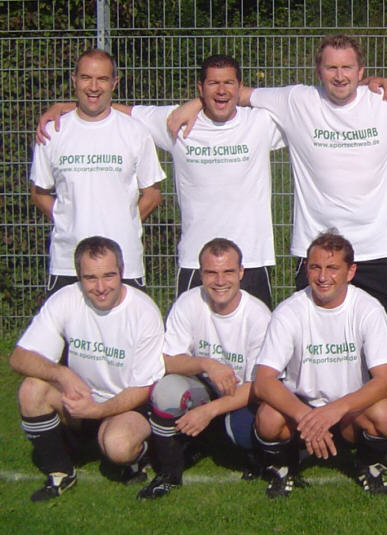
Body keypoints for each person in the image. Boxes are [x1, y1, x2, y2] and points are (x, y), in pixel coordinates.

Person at [169, 34, 387, 329]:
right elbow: (232, 95)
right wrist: (195, 103)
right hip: (317, 249)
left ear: (361, 71)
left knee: (386, 348)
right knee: (317, 342)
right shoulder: (296, 101)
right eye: (331, 68)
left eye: (347, 67)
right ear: (318, 71)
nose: (340, 76)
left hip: (376, 247)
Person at [36, 55, 283, 306]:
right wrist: (67, 106)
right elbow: (122, 111)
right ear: (200, 88)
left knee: (258, 341)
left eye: (229, 83)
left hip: (252, 258)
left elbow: (297, 110)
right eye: (212, 84)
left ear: (240, 88)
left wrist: (198, 103)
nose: (221, 90)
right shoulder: (175, 121)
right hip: (195, 260)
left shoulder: (261, 123)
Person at [11, 236, 164, 501]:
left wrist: (99, 410)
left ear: (122, 272)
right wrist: (62, 373)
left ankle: (140, 455)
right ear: (79, 277)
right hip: (80, 404)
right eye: (90, 278)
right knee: (31, 389)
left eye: (109, 276)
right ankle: (60, 472)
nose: (101, 287)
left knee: (118, 447)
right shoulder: (66, 299)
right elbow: (19, 358)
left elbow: (144, 388)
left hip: (126, 406)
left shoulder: (143, 312)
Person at [251, 231, 387, 497]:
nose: (322, 277)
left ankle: (367, 464)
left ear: (351, 271)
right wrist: (306, 417)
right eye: (315, 267)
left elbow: (384, 381)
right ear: (306, 269)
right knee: (267, 418)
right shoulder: (289, 311)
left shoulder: (369, 309)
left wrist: (334, 411)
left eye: (332, 268)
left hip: (348, 412)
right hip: (302, 410)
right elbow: (264, 381)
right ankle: (285, 467)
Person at [137, 238, 271, 499]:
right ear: (201, 274)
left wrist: (210, 412)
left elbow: (261, 385)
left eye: (228, 272)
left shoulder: (258, 316)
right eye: (211, 272)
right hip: (204, 389)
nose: (220, 281)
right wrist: (206, 364)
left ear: (241, 273)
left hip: (241, 395)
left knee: (243, 431)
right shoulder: (188, 302)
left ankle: (249, 457)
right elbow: (166, 361)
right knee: (166, 391)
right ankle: (169, 473)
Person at [30, 49, 164, 292]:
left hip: (124, 263)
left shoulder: (136, 132)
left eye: (102, 79)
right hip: (67, 264)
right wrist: (69, 222)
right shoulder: (52, 132)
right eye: (85, 78)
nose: (93, 87)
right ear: (74, 80)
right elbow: (39, 193)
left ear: (115, 83)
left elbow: (153, 195)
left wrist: (122, 223)